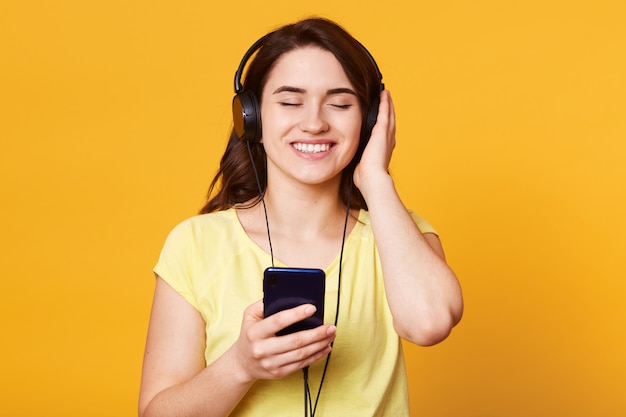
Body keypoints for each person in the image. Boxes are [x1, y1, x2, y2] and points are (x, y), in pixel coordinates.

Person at [138, 17, 463, 417]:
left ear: (371, 120)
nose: (314, 123)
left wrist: (375, 178)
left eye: (340, 103)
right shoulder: (195, 245)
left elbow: (429, 325)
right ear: (251, 116)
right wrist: (240, 366)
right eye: (290, 102)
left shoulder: (398, 234)